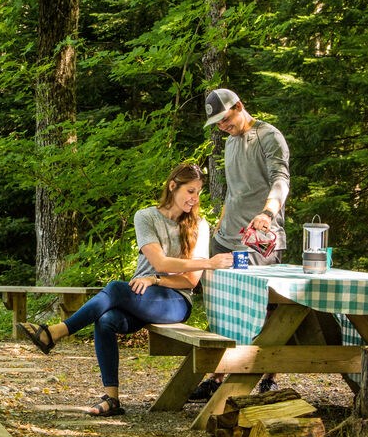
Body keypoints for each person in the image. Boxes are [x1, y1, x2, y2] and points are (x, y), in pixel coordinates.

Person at [16, 163, 233, 417]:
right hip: (139, 295)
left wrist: (157, 280)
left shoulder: (200, 225)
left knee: (116, 289)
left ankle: (54, 333)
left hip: (174, 301)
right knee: (106, 319)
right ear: (173, 186)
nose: (195, 198)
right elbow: (160, 262)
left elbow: (191, 281)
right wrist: (168, 273)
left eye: (198, 192)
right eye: (190, 191)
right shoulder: (146, 217)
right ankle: (112, 399)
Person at [188, 87, 290, 401]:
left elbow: (280, 178)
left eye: (225, 118)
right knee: (218, 296)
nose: (222, 126)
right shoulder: (231, 143)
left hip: (258, 239)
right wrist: (221, 220)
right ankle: (219, 373)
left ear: (239, 106)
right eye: (217, 123)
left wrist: (268, 212)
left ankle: (268, 373)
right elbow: (236, 191)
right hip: (227, 236)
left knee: (262, 301)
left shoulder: (268, 137)